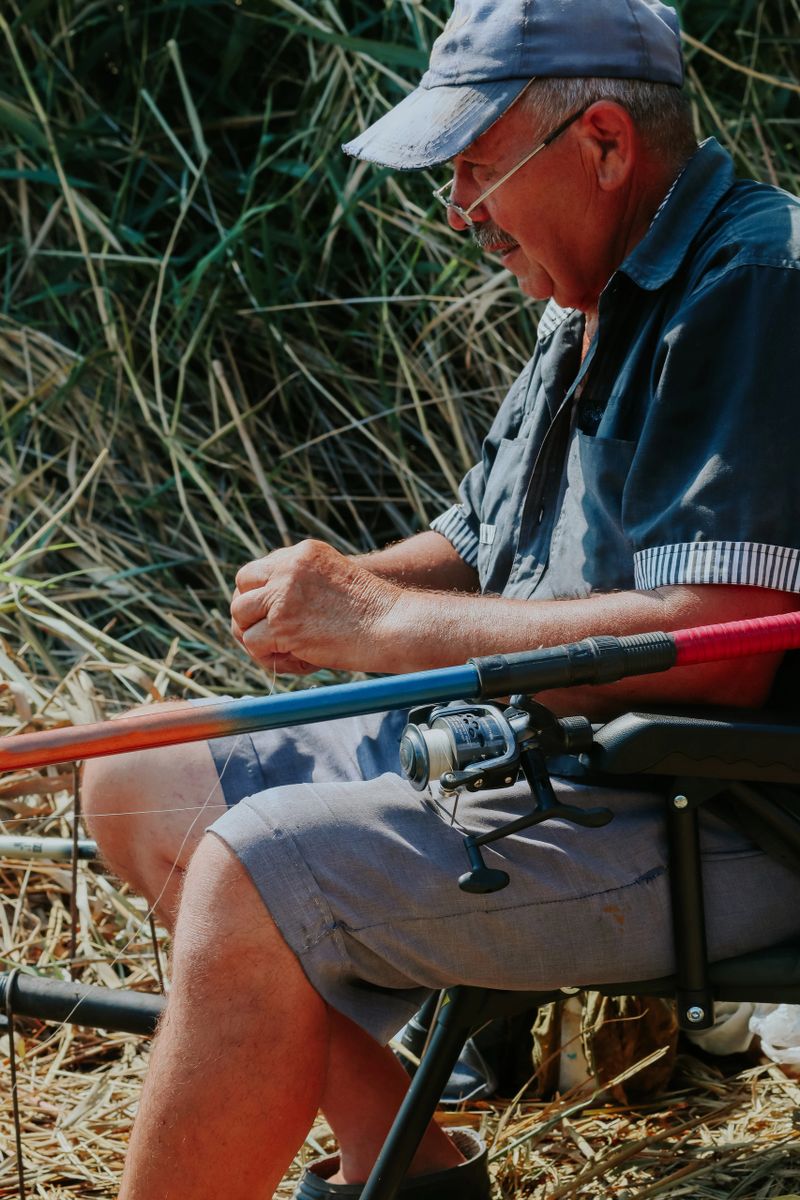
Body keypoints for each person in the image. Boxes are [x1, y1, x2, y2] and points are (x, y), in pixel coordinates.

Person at [81, 1, 800, 1196]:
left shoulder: (756, 288)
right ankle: (412, 1168)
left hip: (707, 803)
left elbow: (717, 648)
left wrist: (376, 623)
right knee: (135, 780)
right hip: (539, 759)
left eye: (473, 167)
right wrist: (332, 590)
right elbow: (478, 550)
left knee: (256, 871)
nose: (458, 210)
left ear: (605, 143)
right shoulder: (583, 297)